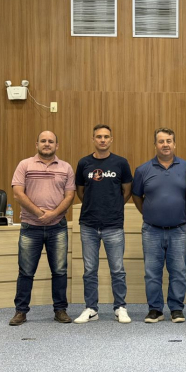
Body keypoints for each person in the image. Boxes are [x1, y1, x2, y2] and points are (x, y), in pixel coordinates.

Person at [9, 131, 76, 326]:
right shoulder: (25, 165)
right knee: (26, 271)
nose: (47, 144)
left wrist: (53, 214)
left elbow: (70, 196)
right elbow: (18, 194)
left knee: (60, 271)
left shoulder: (66, 168)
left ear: (57, 145)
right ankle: (21, 311)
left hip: (58, 227)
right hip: (30, 227)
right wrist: (40, 213)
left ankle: (60, 310)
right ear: (36, 144)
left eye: (51, 141)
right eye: (43, 141)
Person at [73, 124, 133, 324]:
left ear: (111, 139)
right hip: (88, 224)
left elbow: (127, 190)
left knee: (118, 270)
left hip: (113, 225)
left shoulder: (121, 163)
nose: (102, 140)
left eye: (106, 136)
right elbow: (80, 191)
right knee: (90, 270)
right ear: (93, 139)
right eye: (99, 136)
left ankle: (120, 307)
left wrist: (113, 206)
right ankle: (91, 308)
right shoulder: (84, 163)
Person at [132, 128, 186, 324]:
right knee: (152, 272)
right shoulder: (143, 170)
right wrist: (149, 213)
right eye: (161, 141)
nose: (165, 144)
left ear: (175, 144)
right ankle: (155, 309)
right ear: (155, 145)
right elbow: (137, 196)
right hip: (152, 230)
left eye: (169, 141)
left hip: (179, 229)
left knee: (179, 271)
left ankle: (176, 309)